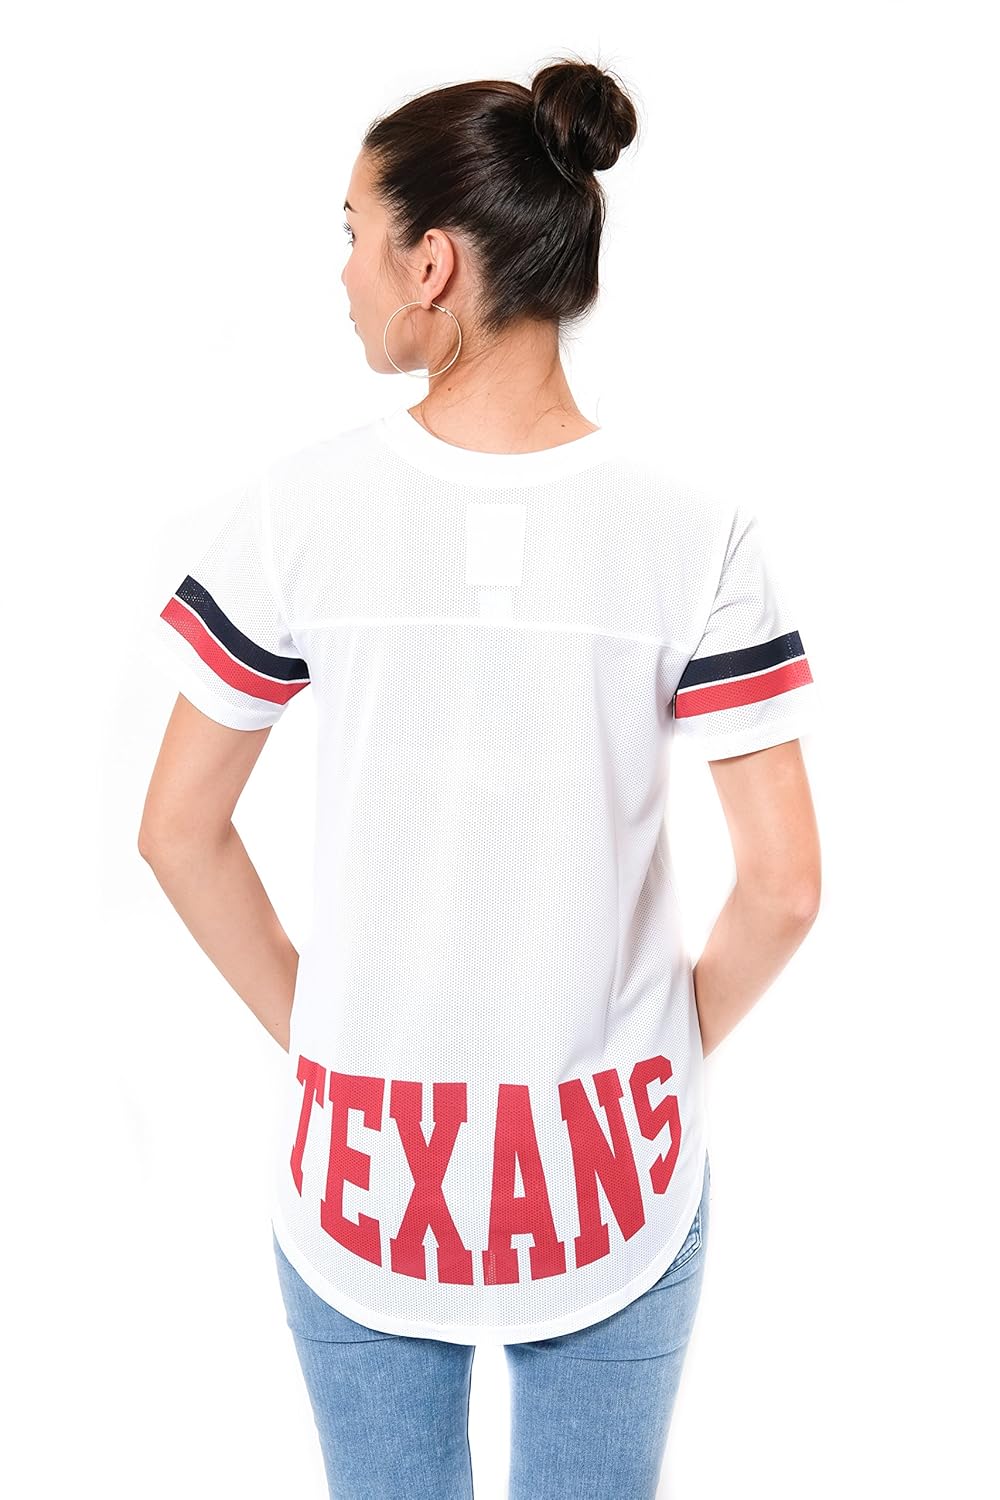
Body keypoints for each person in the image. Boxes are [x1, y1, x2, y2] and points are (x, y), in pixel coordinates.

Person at [139, 54, 822, 1500]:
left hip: (366, 1172)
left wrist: (324, 1035)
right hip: (610, 1179)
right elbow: (783, 888)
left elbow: (179, 832)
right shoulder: (696, 528)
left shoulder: (300, 512)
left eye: (354, 234)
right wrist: (657, 1058)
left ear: (432, 263)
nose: (343, 275)